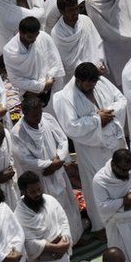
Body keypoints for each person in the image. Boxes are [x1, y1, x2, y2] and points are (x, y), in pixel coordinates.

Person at [11, 96, 84, 239]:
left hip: (58, 171)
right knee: (48, 211)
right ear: (24, 113)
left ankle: (73, 238)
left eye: (39, 114)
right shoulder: (17, 132)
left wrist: (59, 160)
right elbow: (26, 159)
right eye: (33, 116)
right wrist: (49, 165)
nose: (38, 118)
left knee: (67, 206)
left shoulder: (47, 118)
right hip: (40, 178)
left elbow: (62, 140)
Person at [15, 171, 75, 262]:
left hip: (61, 259)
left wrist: (65, 242)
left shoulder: (50, 200)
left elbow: (63, 221)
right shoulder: (19, 214)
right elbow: (27, 242)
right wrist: (53, 248)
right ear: (23, 192)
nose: (37, 194)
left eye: (39, 189)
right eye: (32, 192)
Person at [93, 148, 131, 262]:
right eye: (123, 170)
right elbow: (102, 207)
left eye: (128, 169)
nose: (126, 173)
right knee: (122, 259)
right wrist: (125, 201)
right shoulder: (99, 180)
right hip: (118, 226)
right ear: (113, 165)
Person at [51, 0, 107, 79]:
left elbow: (97, 44)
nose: (75, 13)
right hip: (73, 78)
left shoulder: (86, 20)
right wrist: (86, 72)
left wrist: (99, 63)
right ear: (62, 12)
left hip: (95, 72)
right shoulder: (56, 33)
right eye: (70, 10)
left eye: (76, 8)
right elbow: (65, 61)